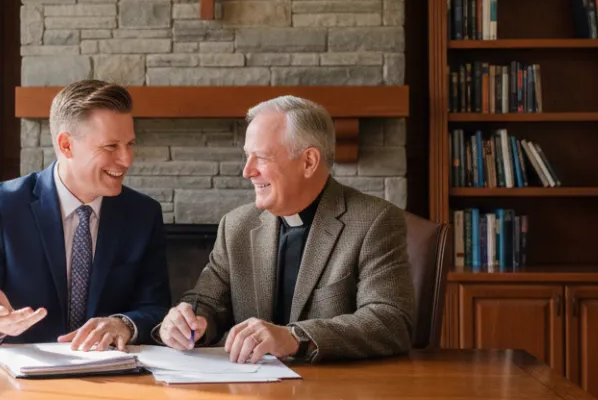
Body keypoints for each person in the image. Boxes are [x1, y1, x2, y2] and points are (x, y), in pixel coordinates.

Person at [156, 95, 415, 363]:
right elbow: (207, 302)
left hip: (335, 395)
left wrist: (295, 338)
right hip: (249, 393)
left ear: (309, 162)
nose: (247, 171)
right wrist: (187, 321)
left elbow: (391, 322)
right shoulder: (236, 226)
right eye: (247, 156)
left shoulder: (374, 221)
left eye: (262, 157)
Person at [0, 80, 170, 352]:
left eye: (130, 144)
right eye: (111, 146)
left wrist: (124, 324)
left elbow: (156, 309)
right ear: (66, 145)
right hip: (20, 381)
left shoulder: (143, 214)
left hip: (112, 377)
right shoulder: (1, 207)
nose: (127, 159)